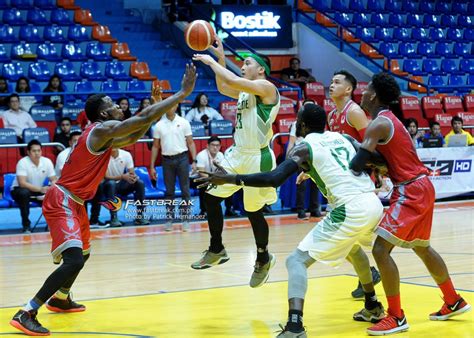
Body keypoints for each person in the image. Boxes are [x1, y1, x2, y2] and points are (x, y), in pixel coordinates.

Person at [9, 64, 196, 336]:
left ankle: (61, 297)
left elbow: (134, 134)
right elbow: (138, 119)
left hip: (75, 201)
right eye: (113, 104)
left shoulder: (105, 133)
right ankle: (27, 311)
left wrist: (156, 107)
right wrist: (180, 94)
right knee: (73, 260)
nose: (120, 106)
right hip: (63, 199)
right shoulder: (100, 129)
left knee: (82, 254)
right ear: (105, 112)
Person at [196, 104, 386, 337]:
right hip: (373, 204)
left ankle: (295, 326)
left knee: (296, 261)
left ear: (301, 125)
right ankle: (372, 305)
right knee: (353, 248)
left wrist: (231, 179)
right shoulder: (343, 137)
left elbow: (274, 178)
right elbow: (376, 158)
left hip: (350, 209)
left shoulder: (304, 147)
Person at [350, 72, 471, 336]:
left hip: (410, 189)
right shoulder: (390, 121)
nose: (362, 92)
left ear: (374, 95)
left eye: (366, 88)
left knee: (381, 250)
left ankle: (396, 317)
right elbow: (384, 160)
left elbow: (356, 165)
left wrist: (350, 145)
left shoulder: (378, 124)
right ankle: (453, 300)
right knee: (422, 247)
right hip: (421, 186)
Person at [191, 36, 280, 288]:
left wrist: (212, 62)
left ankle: (263, 257)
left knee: (252, 211)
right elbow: (223, 87)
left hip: (257, 157)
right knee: (209, 194)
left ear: (260, 69)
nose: (242, 65)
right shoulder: (245, 90)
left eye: (248, 62)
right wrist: (220, 58)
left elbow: (229, 78)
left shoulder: (266, 88)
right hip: (238, 153)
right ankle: (217, 248)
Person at [327, 69, 381, 299]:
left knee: (346, 235)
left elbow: (372, 146)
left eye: (337, 82)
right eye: (331, 81)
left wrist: (377, 172)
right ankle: (368, 274)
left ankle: (370, 275)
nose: (331, 85)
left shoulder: (355, 113)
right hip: (340, 183)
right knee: (344, 237)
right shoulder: (331, 116)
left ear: (348, 89)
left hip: (358, 183)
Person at [149, 102, 197, 232]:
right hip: (167, 160)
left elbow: (191, 143)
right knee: (169, 191)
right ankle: (169, 219)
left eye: (173, 105)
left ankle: (185, 219)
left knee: (185, 190)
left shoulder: (184, 122)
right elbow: (155, 146)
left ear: (176, 106)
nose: (170, 107)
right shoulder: (158, 125)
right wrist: (152, 166)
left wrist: (195, 161)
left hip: (182, 158)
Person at [11, 140, 57, 233]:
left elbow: (54, 179)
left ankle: (52, 225)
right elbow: (22, 183)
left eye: (39, 150)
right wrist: (41, 189)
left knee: (56, 193)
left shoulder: (47, 162)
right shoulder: (22, 162)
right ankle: (26, 226)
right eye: (34, 151)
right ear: (28, 152)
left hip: (36, 189)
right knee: (24, 193)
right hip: (19, 190)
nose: (37, 153)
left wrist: (53, 185)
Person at [286, 106, 320, 220]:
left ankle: (315, 209)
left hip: (314, 154)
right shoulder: (296, 124)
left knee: (316, 183)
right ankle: (300, 211)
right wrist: (288, 157)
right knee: (301, 184)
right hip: (301, 155)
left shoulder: (316, 123)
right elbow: (291, 142)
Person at [101, 148, 150, 226]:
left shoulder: (126, 154)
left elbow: (131, 173)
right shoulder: (102, 156)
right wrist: (122, 176)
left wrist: (134, 178)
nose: (113, 146)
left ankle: (140, 216)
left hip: (120, 185)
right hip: (106, 186)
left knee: (139, 183)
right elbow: (106, 176)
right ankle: (114, 218)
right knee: (111, 183)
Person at [195, 136, 237, 217]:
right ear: (207, 146)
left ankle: (229, 209)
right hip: (199, 178)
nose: (215, 147)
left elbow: (224, 171)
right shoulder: (201, 155)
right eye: (213, 145)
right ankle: (204, 211)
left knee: (229, 183)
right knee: (204, 184)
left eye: (217, 145)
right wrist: (214, 179)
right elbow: (201, 172)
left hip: (215, 178)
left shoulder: (220, 155)